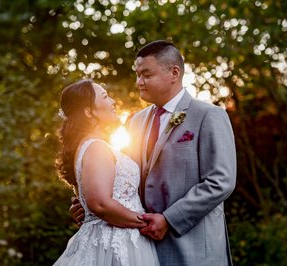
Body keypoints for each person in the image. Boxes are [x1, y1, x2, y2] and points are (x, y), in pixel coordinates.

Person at [71, 40, 237, 266]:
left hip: (194, 248)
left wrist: (169, 219)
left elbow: (221, 181)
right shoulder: (135, 121)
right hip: (142, 249)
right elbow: (125, 179)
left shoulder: (209, 116)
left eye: (146, 75)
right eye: (137, 75)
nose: (139, 82)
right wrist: (89, 201)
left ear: (174, 73)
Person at [53, 79, 159, 266]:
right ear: (89, 112)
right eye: (105, 97)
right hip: (113, 242)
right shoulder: (96, 148)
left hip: (120, 236)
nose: (112, 102)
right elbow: (100, 204)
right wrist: (145, 223)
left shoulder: (92, 146)